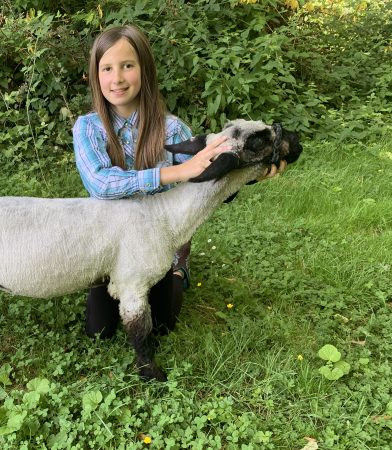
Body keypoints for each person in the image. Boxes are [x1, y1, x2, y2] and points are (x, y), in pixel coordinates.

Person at [72, 25, 285, 339]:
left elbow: (207, 182)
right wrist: (173, 173)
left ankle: (177, 267)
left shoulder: (171, 129)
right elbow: (100, 184)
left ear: (145, 70)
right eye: (107, 68)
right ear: (95, 75)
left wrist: (249, 174)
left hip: (157, 243)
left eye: (127, 66)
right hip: (110, 244)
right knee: (99, 330)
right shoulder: (88, 128)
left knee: (161, 326)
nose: (117, 78)